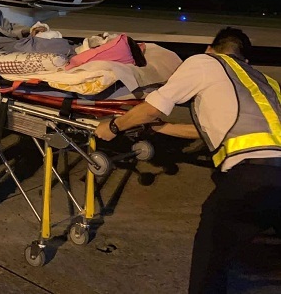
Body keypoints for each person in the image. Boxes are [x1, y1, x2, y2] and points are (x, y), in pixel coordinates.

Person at [95, 27, 281, 293]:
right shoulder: (266, 83)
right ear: (246, 60)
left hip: (250, 179)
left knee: (211, 263)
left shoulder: (205, 62)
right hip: (272, 176)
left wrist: (114, 127)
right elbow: (214, 130)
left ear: (210, 49)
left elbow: (152, 108)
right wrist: (163, 129)